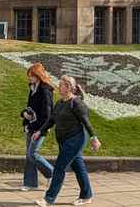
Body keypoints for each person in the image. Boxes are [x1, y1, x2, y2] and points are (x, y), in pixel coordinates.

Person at [33, 76, 101, 206]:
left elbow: (86, 122)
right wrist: (40, 131)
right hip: (63, 140)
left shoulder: (76, 103)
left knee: (59, 167)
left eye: (61, 85)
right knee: (78, 167)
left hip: (75, 140)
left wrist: (94, 138)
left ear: (69, 87)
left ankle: (48, 199)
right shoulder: (60, 103)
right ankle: (86, 196)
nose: (59, 87)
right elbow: (51, 120)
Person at [22, 63, 56, 191]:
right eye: (29, 75)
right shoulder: (33, 88)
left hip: (40, 127)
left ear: (38, 76)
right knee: (29, 155)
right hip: (31, 126)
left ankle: (52, 173)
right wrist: (24, 115)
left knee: (32, 153)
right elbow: (30, 107)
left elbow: (47, 114)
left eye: (31, 75)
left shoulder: (45, 90)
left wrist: (41, 129)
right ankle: (30, 183)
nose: (29, 78)